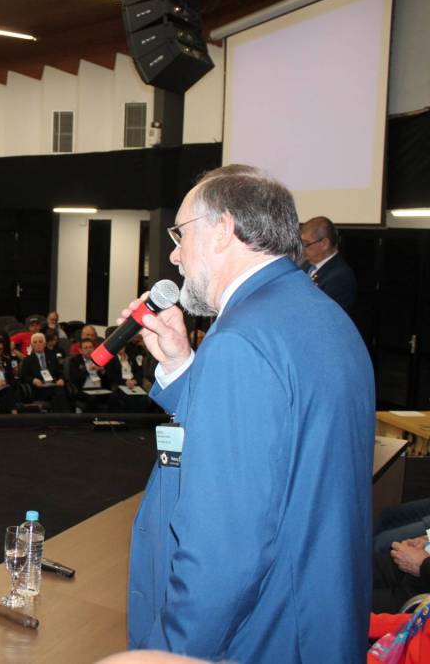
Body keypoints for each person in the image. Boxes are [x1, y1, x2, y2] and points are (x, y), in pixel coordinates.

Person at [122, 164, 374, 662]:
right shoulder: (319, 313)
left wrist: (169, 654)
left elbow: (223, 553)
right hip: (316, 624)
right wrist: (181, 364)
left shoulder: (241, 340)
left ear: (222, 230)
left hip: (261, 637)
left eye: (180, 234)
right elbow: (279, 443)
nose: (174, 254)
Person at [300, 215, 357, 312]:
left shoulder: (340, 277)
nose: (302, 249)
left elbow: (323, 312)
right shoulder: (306, 265)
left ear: (324, 244)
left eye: (306, 244)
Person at [19, 332, 70, 413]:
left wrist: (61, 379)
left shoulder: (52, 356)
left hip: (52, 384)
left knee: (61, 390)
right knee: (59, 392)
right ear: (32, 345)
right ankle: (63, 417)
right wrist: (33, 380)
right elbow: (23, 376)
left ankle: (59, 417)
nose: (38, 344)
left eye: (40, 341)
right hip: (38, 388)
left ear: (45, 344)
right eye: (35, 342)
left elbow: (59, 372)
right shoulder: (28, 360)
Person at [66, 339, 107, 413]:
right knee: (93, 398)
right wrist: (89, 371)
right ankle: (88, 418)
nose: (89, 350)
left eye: (90, 347)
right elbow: (74, 378)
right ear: (80, 350)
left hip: (99, 389)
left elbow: (108, 378)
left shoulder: (99, 359)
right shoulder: (75, 361)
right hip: (84, 390)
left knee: (114, 396)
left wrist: (102, 371)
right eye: (86, 348)